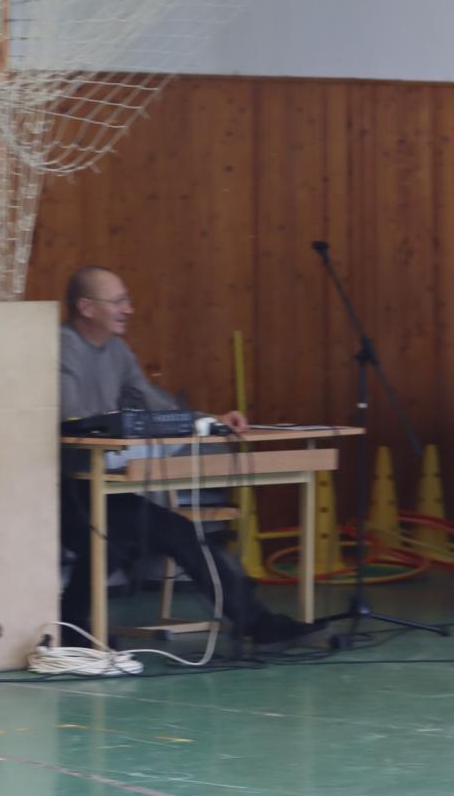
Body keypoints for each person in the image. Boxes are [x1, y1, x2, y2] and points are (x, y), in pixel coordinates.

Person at [58, 265, 327, 649]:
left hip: (102, 486)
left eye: (127, 300)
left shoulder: (117, 350)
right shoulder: (63, 346)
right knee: (140, 537)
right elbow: (72, 419)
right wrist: (116, 426)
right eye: (118, 301)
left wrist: (210, 421)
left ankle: (72, 627)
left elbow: (154, 401)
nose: (128, 309)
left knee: (133, 538)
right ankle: (258, 624)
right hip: (65, 492)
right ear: (86, 307)